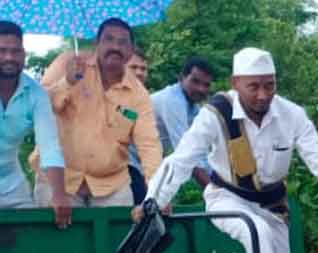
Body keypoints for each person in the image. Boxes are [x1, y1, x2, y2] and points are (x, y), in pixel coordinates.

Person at [138, 48, 318, 253]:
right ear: (235, 83)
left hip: (274, 206)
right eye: (253, 87)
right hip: (226, 198)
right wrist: (154, 202)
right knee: (256, 231)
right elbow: (182, 159)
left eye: (269, 86)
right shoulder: (215, 114)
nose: (262, 95)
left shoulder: (293, 115)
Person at [34, 18, 161, 208]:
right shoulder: (68, 64)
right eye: (108, 39)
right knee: (56, 238)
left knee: (119, 237)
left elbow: (149, 144)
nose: (115, 47)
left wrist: (157, 191)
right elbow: (41, 109)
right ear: (97, 43)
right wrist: (67, 83)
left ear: (131, 50)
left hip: (112, 186)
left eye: (122, 42)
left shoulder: (139, 94)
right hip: (59, 182)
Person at [0, 21, 70, 225]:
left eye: (16, 51)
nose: (9, 58)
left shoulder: (35, 93)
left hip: (11, 184)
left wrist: (59, 194)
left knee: (28, 242)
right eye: (1, 50)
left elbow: (49, 145)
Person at [151, 56, 214, 188]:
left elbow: (202, 151)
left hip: (148, 162)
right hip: (130, 162)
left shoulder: (193, 107)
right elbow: (186, 154)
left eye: (206, 85)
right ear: (181, 78)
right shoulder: (172, 101)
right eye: (195, 81)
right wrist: (214, 191)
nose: (201, 89)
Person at [125, 47, 150, 203]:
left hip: (139, 167)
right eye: (133, 67)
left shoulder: (144, 100)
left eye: (143, 69)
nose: (140, 72)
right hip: (120, 167)